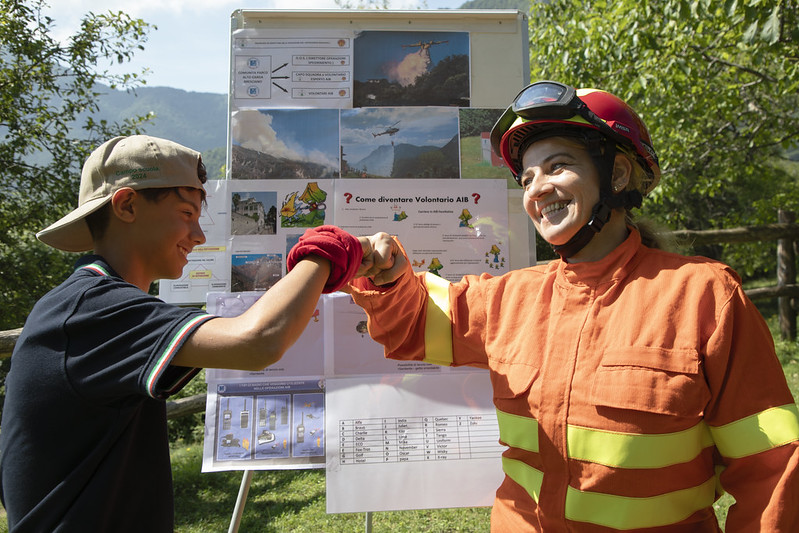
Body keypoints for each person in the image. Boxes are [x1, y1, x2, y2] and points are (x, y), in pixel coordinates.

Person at [342, 81, 799, 531]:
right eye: (527, 179)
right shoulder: (508, 298)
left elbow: (773, 472)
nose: (537, 189)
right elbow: (410, 319)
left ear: (617, 174)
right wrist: (378, 267)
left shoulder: (704, 297)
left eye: (558, 166)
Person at [0, 135, 363, 532]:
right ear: (127, 205)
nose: (199, 235)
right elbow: (257, 342)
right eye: (187, 213)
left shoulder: (91, 305)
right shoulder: (91, 310)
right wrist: (330, 250)